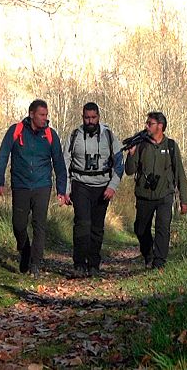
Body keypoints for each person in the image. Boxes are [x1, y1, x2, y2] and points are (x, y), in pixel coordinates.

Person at [0, 99, 68, 278]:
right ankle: (24, 250)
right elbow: (3, 155)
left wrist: (61, 189)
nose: (45, 118)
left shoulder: (51, 135)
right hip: (20, 185)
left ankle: (35, 264)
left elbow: (59, 163)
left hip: (42, 185)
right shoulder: (16, 131)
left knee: (39, 225)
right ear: (32, 114)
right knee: (18, 224)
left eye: (46, 115)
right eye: (42, 115)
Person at [62, 102, 124, 278]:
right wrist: (65, 189)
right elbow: (65, 162)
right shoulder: (74, 135)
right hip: (80, 184)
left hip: (102, 186)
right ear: (82, 117)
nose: (90, 121)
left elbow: (119, 163)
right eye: (86, 117)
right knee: (82, 224)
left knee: (97, 226)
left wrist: (112, 186)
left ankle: (94, 264)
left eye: (93, 117)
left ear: (98, 117)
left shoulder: (109, 136)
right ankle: (79, 264)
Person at [124, 111, 187, 270]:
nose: (146, 126)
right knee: (140, 229)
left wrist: (184, 200)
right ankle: (148, 255)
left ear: (160, 126)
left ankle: (159, 262)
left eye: (149, 123)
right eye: (146, 123)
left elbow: (179, 172)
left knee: (163, 228)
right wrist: (131, 154)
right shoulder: (141, 145)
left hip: (165, 195)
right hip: (144, 195)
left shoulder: (171, 146)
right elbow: (129, 171)